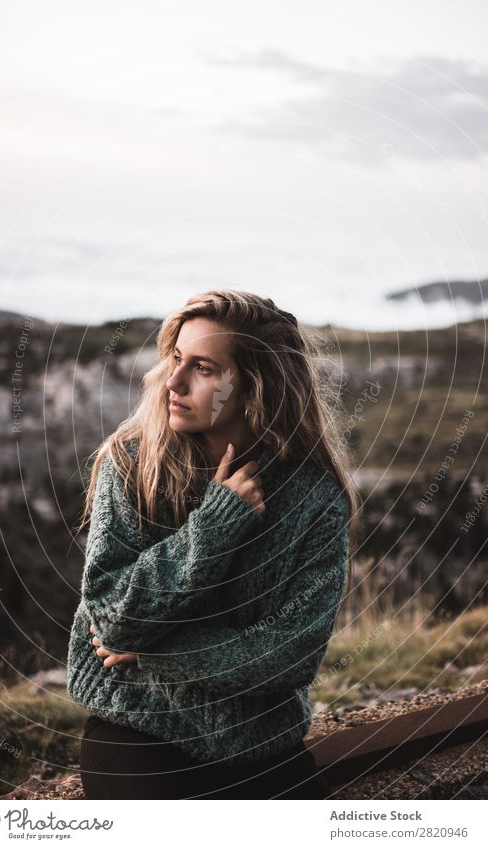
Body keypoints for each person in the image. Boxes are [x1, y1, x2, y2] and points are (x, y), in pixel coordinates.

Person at [66, 290, 361, 799]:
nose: (172, 382)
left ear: (256, 389)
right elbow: (113, 615)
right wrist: (215, 526)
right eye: (176, 359)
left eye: (202, 368)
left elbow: (290, 657)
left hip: (258, 738)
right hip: (138, 725)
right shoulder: (132, 464)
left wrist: (147, 650)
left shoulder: (314, 498)